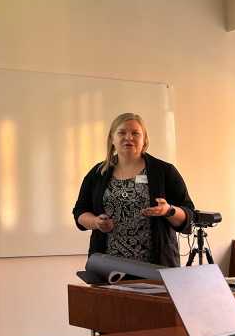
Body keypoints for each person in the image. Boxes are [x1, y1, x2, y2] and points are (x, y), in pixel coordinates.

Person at [73, 112, 194, 267]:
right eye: (122, 132)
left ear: (144, 140)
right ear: (112, 138)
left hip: (156, 269)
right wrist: (96, 222)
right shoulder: (98, 173)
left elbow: (189, 215)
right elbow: (80, 211)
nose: (128, 137)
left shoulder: (164, 171)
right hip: (107, 269)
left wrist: (168, 210)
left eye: (135, 133)